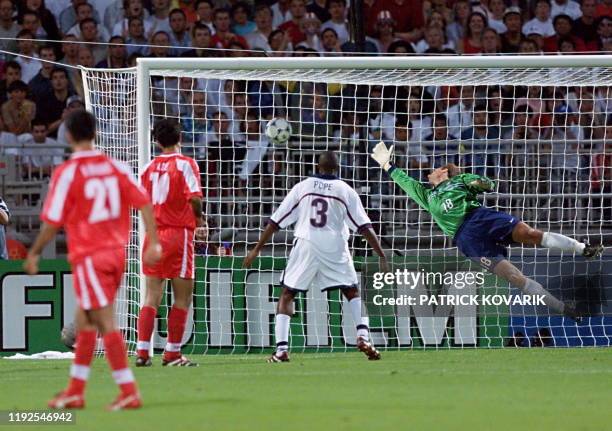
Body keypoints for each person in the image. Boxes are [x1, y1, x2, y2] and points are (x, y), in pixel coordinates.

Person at [370, 142, 603, 322]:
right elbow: (404, 181)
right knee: (514, 277)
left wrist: (481, 183)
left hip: (481, 217)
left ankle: (583, 248)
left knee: (530, 234)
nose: (428, 173)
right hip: (467, 240)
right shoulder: (426, 195)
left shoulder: (459, 179)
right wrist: (386, 164)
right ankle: (565, 309)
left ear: (443, 172)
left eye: (433, 169)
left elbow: (487, 184)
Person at [23, 109, 162, 410]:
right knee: (86, 322)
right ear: (95, 134)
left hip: (90, 255)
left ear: (69, 135)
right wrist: (153, 241)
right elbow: (143, 202)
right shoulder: (117, 167)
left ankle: (128, 391)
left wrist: (34, 253)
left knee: (104, 322)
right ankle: (75, 390)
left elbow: (52, 221)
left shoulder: (68, 172)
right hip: (116, 255)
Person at [243, 151, 389, 362]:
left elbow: (275, 221)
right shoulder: (345, 190)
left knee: (287, 295)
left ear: (318, 167)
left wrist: (256, 249)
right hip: (335, 246)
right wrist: (381, 254)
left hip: (307, 243)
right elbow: (365, 227)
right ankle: (363, 335)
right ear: (337, 168)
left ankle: (281, 350)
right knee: (352, 291)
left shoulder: (303, 187)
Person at [136, 118, 203, 367]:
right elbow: (194, 198)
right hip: (178, 234)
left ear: (156, 141)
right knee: (182, 296)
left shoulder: (147, 169)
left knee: (152, 294)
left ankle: (143, 351)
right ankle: (172, 353)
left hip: (153, 236)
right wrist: (200, 218)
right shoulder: (185, 164)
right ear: (180, 138)